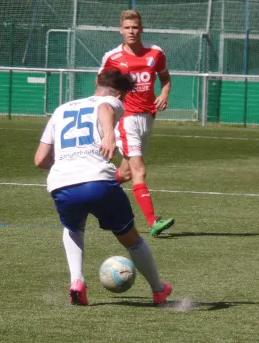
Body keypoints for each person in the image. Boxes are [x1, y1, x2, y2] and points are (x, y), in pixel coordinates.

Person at [34, 69, 173, 306]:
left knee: (73, 227)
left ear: (96, 81)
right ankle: (158, 290)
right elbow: (104, 108)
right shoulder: (111, 102)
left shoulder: (61, 109)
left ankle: (77, 282)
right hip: (97, 180)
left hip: (61, 183)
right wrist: (109, 134)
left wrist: (69, 167)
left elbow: (39, 160)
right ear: (121, 95)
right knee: (131, 238)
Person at [98, 9, 175, 237]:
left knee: (126, 173)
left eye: (135, 27)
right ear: (121, 30)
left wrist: (164, 94)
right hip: (127, 118)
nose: (131, 31)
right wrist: (109, 107)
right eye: (127, 28)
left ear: (141, 29)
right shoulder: (113, 57)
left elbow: (166, 78)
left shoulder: (155, 53)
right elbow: (100, 85)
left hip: (148, 117)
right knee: (139, 169)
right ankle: (153, 222)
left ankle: (95, 190)